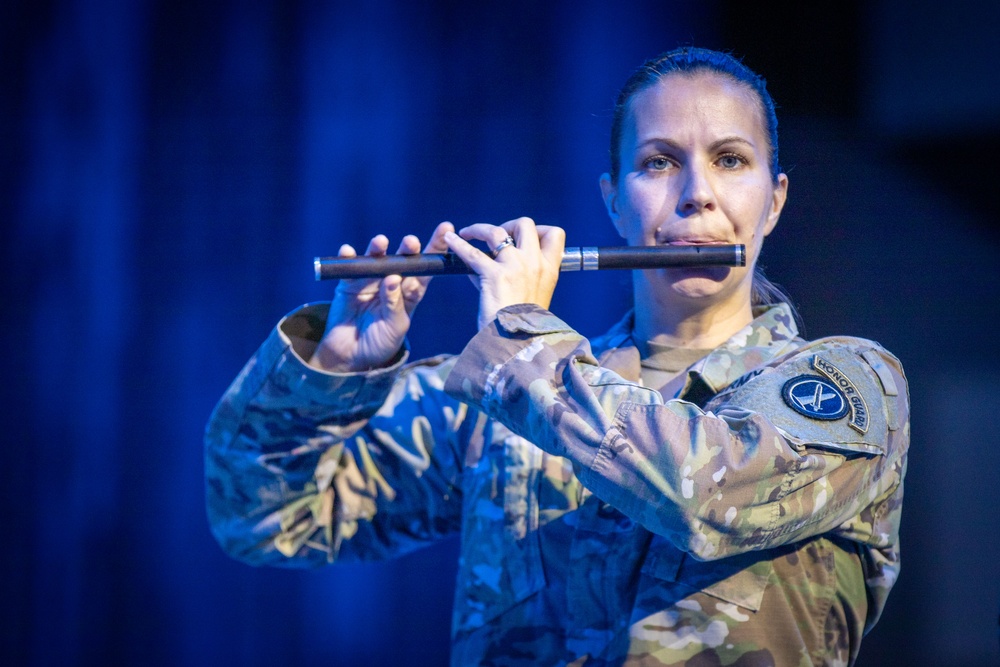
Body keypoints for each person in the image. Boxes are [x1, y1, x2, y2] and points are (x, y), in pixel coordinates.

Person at [206, 47, 909, 666]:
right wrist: (337, 370)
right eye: (659, 162)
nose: (697, 194)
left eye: (731, 160)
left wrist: (521, 332)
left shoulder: (851, 381)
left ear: (774, 200)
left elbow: (709, 497)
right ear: (613, 201)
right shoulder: (495, 399)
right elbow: (262, 516)